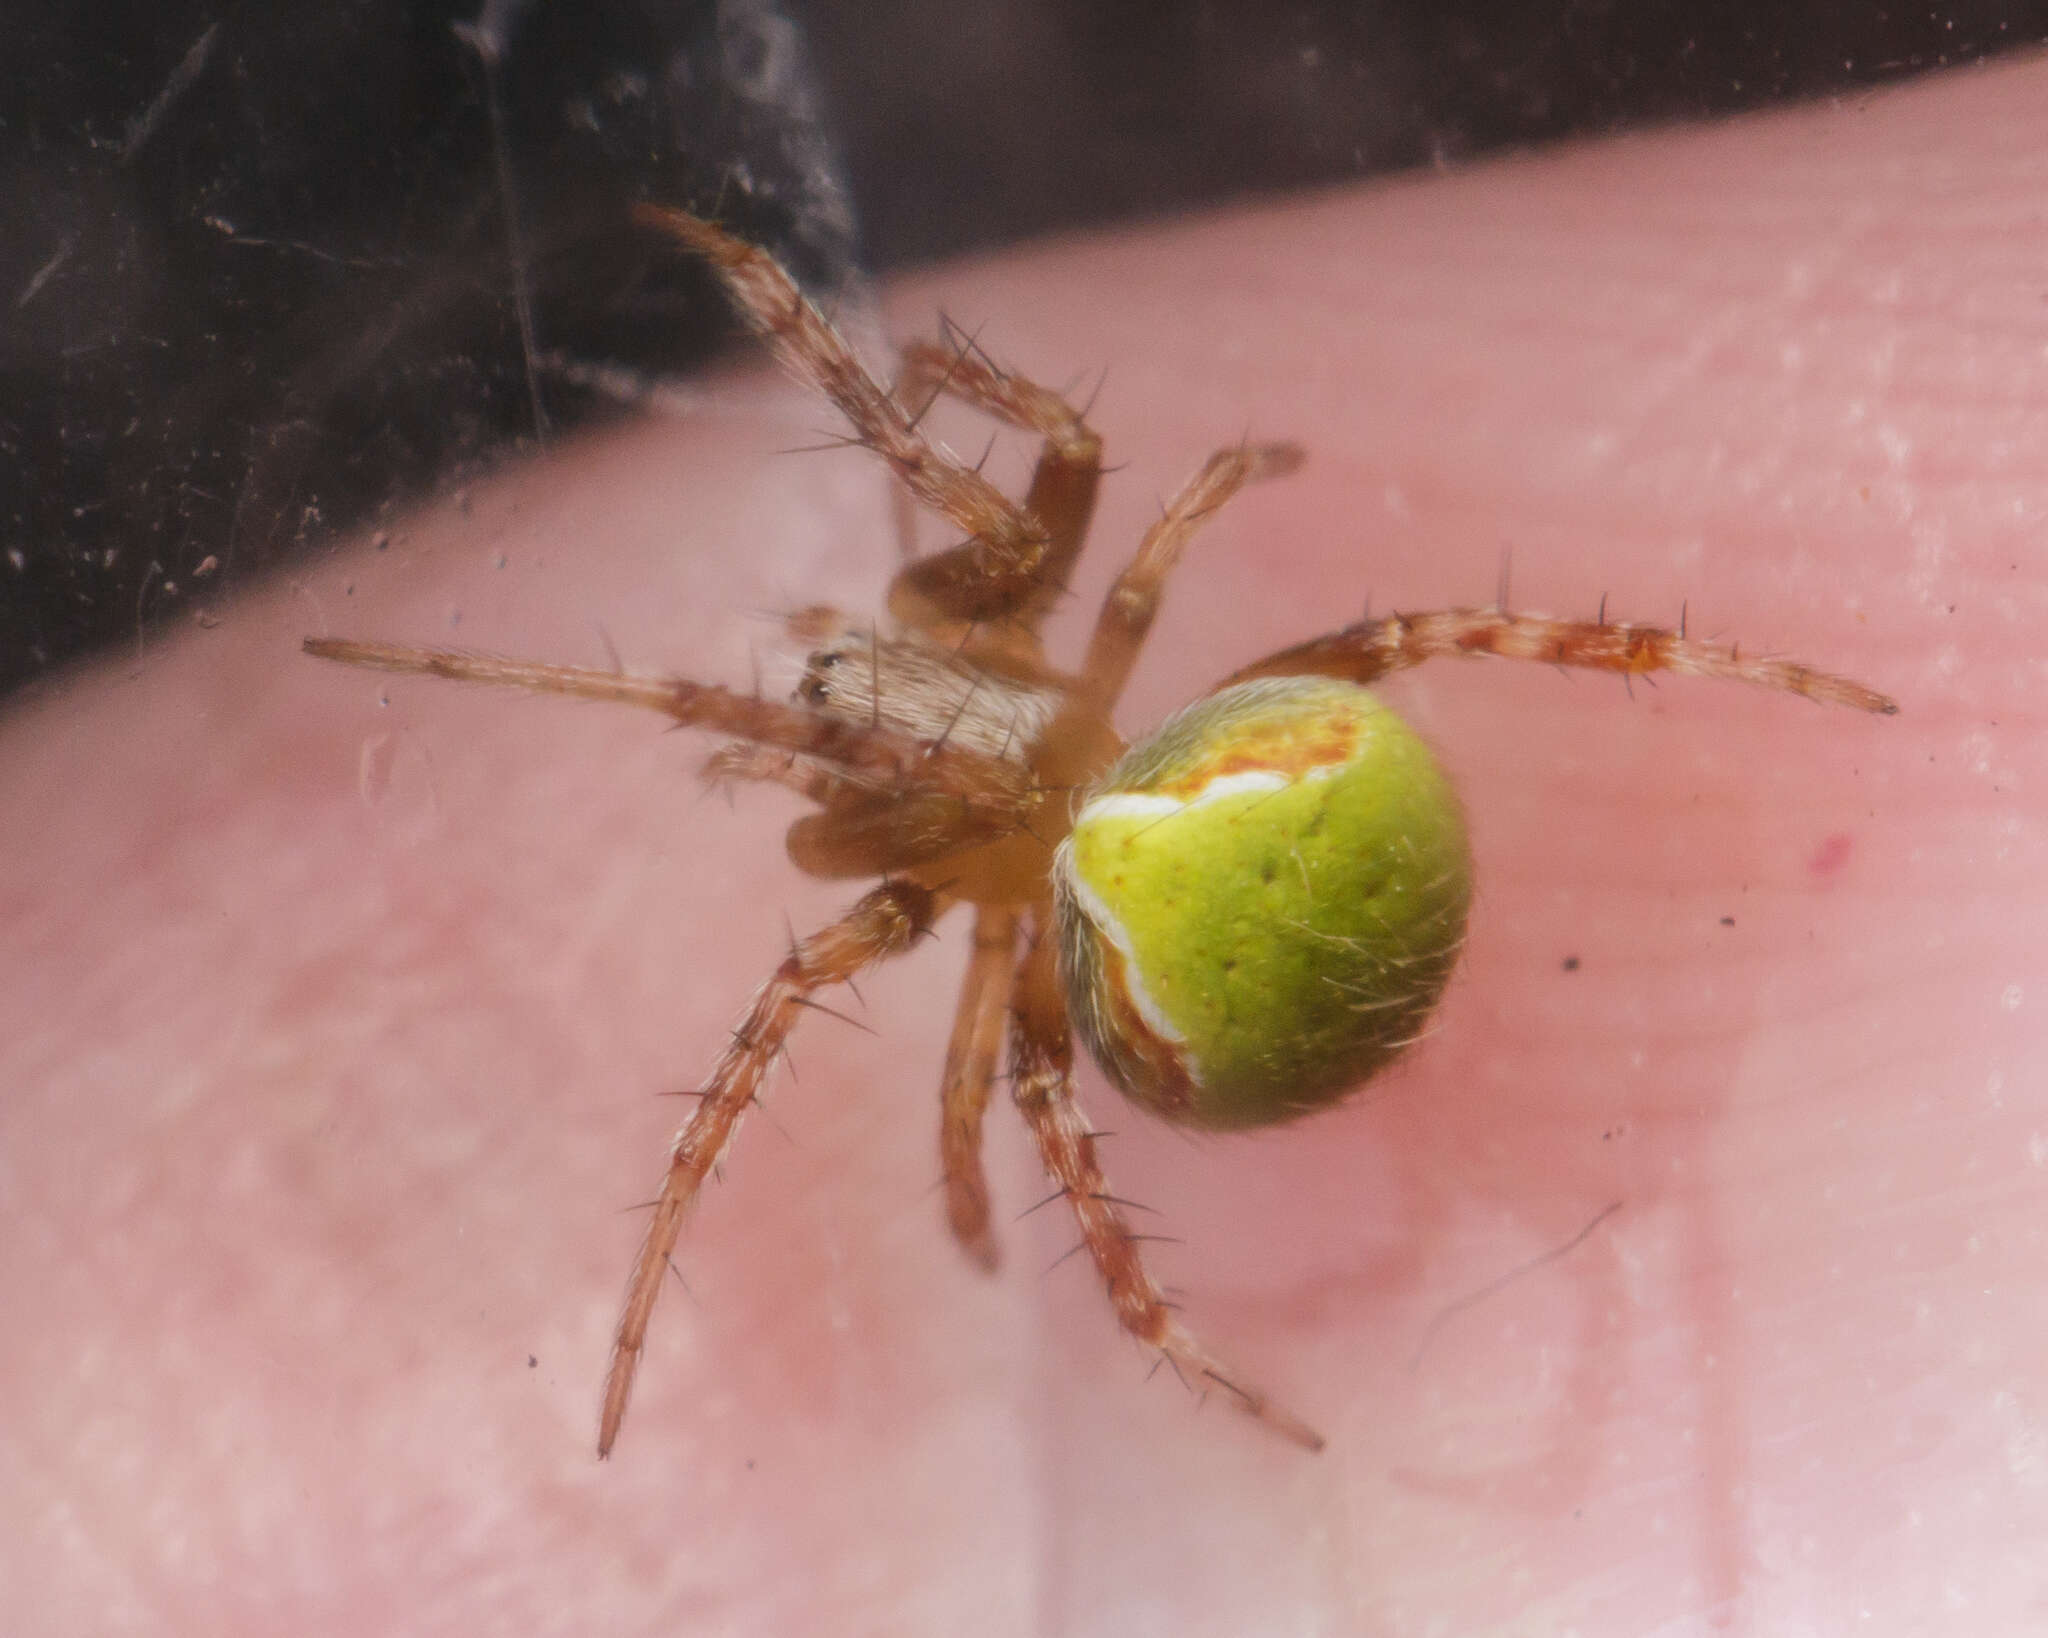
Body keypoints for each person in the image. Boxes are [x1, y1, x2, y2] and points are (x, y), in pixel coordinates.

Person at [5, 56, 2034, 1633]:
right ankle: (1764, 685)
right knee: (1377, 652)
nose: (814, 721)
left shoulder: (955, 900)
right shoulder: (1039, 709)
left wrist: (816, 357)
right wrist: (887, 367)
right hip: (1261, 816)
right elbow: (1071, 483)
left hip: (1221, 865)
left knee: (987, 976)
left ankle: (1759, 687)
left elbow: (917, 1004)